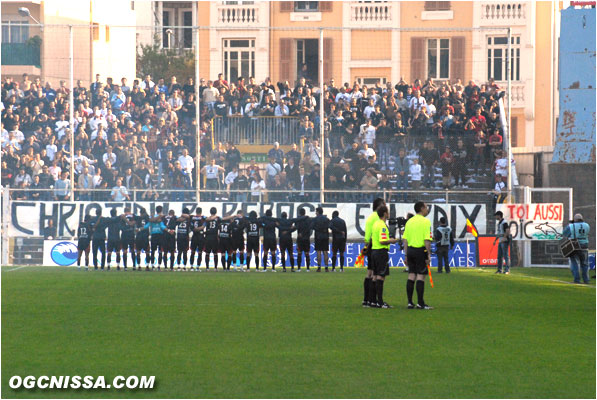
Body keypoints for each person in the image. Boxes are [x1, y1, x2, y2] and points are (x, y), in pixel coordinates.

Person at [403, 201, 434, 310]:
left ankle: (410, 302)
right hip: (420, 250)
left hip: (410, 250)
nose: (427, 209)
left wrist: (406, 254)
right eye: (426, 207)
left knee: (411, 275)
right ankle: (420, 303)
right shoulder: (426, 222)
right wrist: (428, 254)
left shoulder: (409, 222)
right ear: (421, 208)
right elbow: (427, 240)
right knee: (421, 276)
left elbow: (405, 240)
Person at [370, 205, 400, 308]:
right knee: (381, 276)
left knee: (374, 276)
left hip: (374, 251)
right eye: (387, 212)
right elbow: (382, 241)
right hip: (381, 252)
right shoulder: (382, 225)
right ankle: (380, 302)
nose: (389, 213)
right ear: (384, 214)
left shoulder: (375, 224)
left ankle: (373, 301)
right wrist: (392, 240)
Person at [363, 198, 386, 307]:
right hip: (376, 246)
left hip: (369, 246)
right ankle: (374, 300)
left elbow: (367, 235)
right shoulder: (378, 218)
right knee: (375, 274)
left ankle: (367, 299)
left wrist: (366, 247)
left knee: (369, 273)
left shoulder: (370, 218)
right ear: (379, 205)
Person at [562, 214, 591, 284]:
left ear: (575, 219)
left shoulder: (571, 226)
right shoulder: (587, 225)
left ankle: (577, 280)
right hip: (585, 245)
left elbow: (564, 233)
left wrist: (571, 224)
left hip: (575, 245)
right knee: (584, 264)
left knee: (575, 263)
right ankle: (586, 280)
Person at [147, 206, 167, 270]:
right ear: (161, 210)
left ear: (156, 210)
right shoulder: (163, 216)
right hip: (160, 235)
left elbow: (152, 220)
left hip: (154, 235)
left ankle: (152, 265)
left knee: (153, 251)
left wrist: (154, 219)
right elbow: (160, 221)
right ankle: (158, 266)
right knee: (160, 251)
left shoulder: (152, 216)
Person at [312, 207, 331, 272]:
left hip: (318, 237)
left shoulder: (315, 219)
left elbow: (312, 227)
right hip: (325, 236)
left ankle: (319, 267)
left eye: (316, 211)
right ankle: (326, 267)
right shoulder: (327, 219)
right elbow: (330, 226)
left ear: (318, 212)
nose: (315, 213)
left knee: (318, 252)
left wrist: (318, 229)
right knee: (325, 252)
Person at [294, 207, 312, 271]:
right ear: (305, 213)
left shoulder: (298, 220)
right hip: (306, 238)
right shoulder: (308, 219)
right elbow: (309, 228)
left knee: (299, 253)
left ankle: (299, 268)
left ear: (299, 213)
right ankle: (308, 268)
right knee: (307, 253)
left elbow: (296, 227)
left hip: (300, 239)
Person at [121, 206, 137, 270]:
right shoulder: (133, 216)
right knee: (132, 250)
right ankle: (134, 266)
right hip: (131, 234)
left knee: (125, 251)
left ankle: (125, 267)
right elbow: (133, 223)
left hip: (124, 234)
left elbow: (120, 226)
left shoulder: (122, 217)